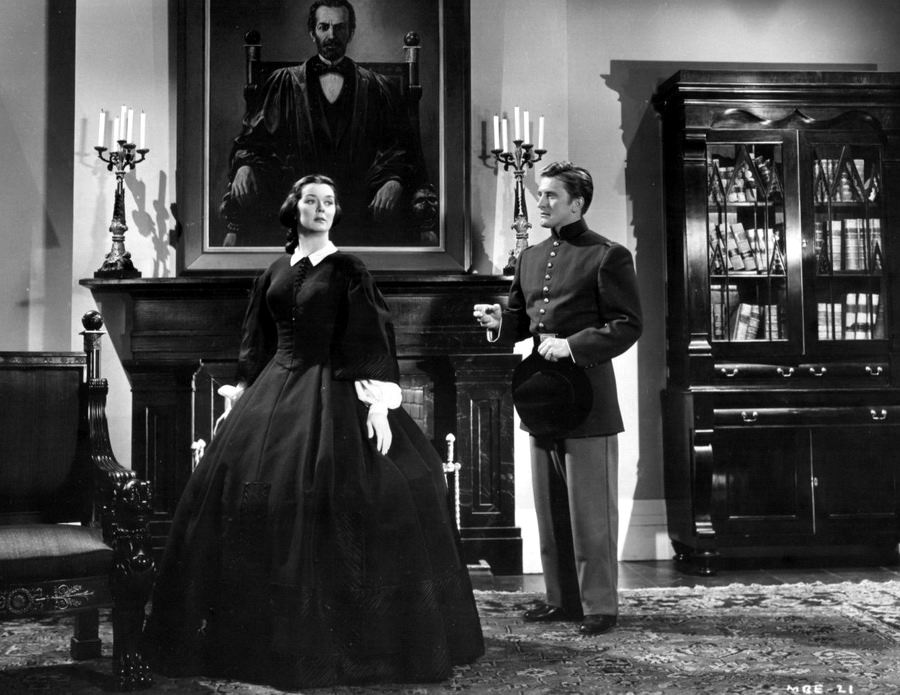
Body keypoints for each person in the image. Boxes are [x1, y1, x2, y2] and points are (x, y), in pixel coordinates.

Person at [145, 174, 483, 689]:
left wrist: (377, 405)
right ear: (294, 209)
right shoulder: (275, 270)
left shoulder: (349, 269)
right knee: (253, 491)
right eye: (311, 200)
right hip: (274, 387)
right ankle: (253, 638)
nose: (321, 208)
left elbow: (371, 335)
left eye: (329, 200)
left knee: (372, 490)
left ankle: (359, 642)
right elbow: (256, 340)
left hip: (338, 387)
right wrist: (239, 397)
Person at [473, 161, 642, 636]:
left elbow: (628, 324)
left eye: (551, 195)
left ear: (577, 204)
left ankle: (599, 606)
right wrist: (499, 323)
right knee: (550, 508)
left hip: (589, 396)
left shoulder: (607, 255)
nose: (541, 202)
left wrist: (572, 346)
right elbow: (522, 320)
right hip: (541, 395)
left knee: (590, 511)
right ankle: (561, 600)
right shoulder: (529, 257)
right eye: (540, 194)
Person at [219, 0, 425, 247]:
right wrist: (244, 165)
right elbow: (254, 140)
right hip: (297, 207)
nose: (332, 35)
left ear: (351, 32)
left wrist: (394, 179)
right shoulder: (283, 83)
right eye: (324, 27)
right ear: (312, 32)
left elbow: (400, 148)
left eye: (339, 27)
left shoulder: (377, 87)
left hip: (360, 208)